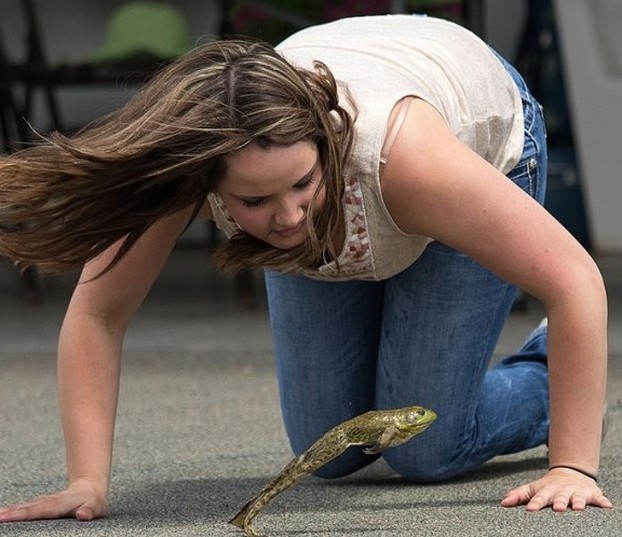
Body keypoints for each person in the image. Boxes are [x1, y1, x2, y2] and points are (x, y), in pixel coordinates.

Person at [0, 14, 611, 522]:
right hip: (370, 142)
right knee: (336, 449)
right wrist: (86, 479)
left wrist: (572, 466)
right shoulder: (186, 167)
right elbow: (99, 314)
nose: (288, 217)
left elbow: (576, 280)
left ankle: (548, 363)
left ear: (323, 143)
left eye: (301, 184)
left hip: (475, 130)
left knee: (427, 450)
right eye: (254, 202)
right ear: (209, 183)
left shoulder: (407, 161)